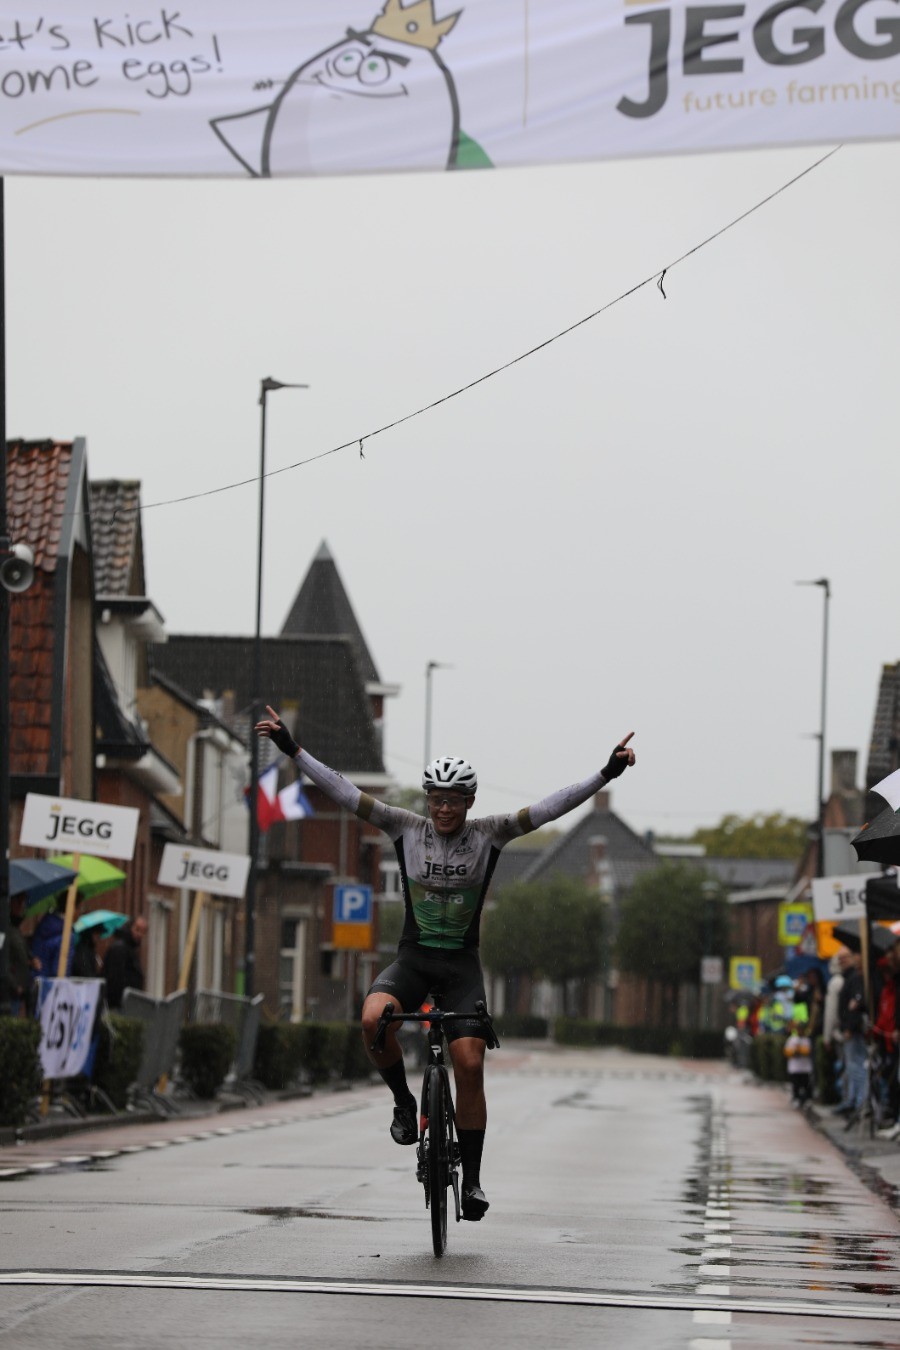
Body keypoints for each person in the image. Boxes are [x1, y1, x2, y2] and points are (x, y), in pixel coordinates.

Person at [257, 704, 636, 1222]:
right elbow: (343, 791)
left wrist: (605, 774)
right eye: (437, 799)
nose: (443, 810)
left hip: (461, 967)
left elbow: (550, 808)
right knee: (373, 1019)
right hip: (412, 960)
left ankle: (474, 1180)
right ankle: (402, 1103)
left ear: (469, 802)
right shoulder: (402, 826)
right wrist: (292, 750)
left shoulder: (491, 834)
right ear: (428, 799)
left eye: (454, 801)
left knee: (471, 1063)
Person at [101, 916, 148, 1010]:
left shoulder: (129, 949)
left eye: (143, 932)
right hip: (119, 1007)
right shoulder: (120, 949)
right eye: (137, 929)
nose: (140, 935)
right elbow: (114, 980)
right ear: (130, 927)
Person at [784, 1017, 813, 1106]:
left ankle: (806, 1099)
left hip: (805, 1068)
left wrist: (799, 1050)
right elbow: (787, 1051)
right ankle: (796, 1098)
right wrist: (794, 1051)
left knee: (806, 1085)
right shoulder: (792, 1039)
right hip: (795, 1068)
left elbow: (808, 1051)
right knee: (795, 1085)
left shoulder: (807, 1040)